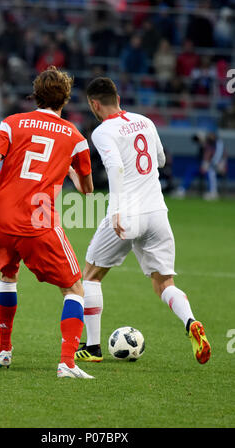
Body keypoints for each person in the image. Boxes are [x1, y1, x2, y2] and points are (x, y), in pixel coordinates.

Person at [73, 77, 211, 365]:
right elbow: (160, 160)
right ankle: (191, 323)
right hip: (157, 213)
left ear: (94, 104)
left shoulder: (102, 131)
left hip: (127, 214)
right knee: (164, 283)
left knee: (91, 276)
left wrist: (116, 211)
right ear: (118, 96)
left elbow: (115, 166)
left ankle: (93, 348)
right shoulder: (145, 121)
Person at [0, 66, 95, 379]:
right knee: (75, 289)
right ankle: (67, 363)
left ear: (36, 95)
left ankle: (4, 351)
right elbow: (87, 191)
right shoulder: (76, 138)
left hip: (2, 215)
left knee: (8, 276)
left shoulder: (11, 124)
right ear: (65, 99)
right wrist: (69, 172)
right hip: (38, 220)